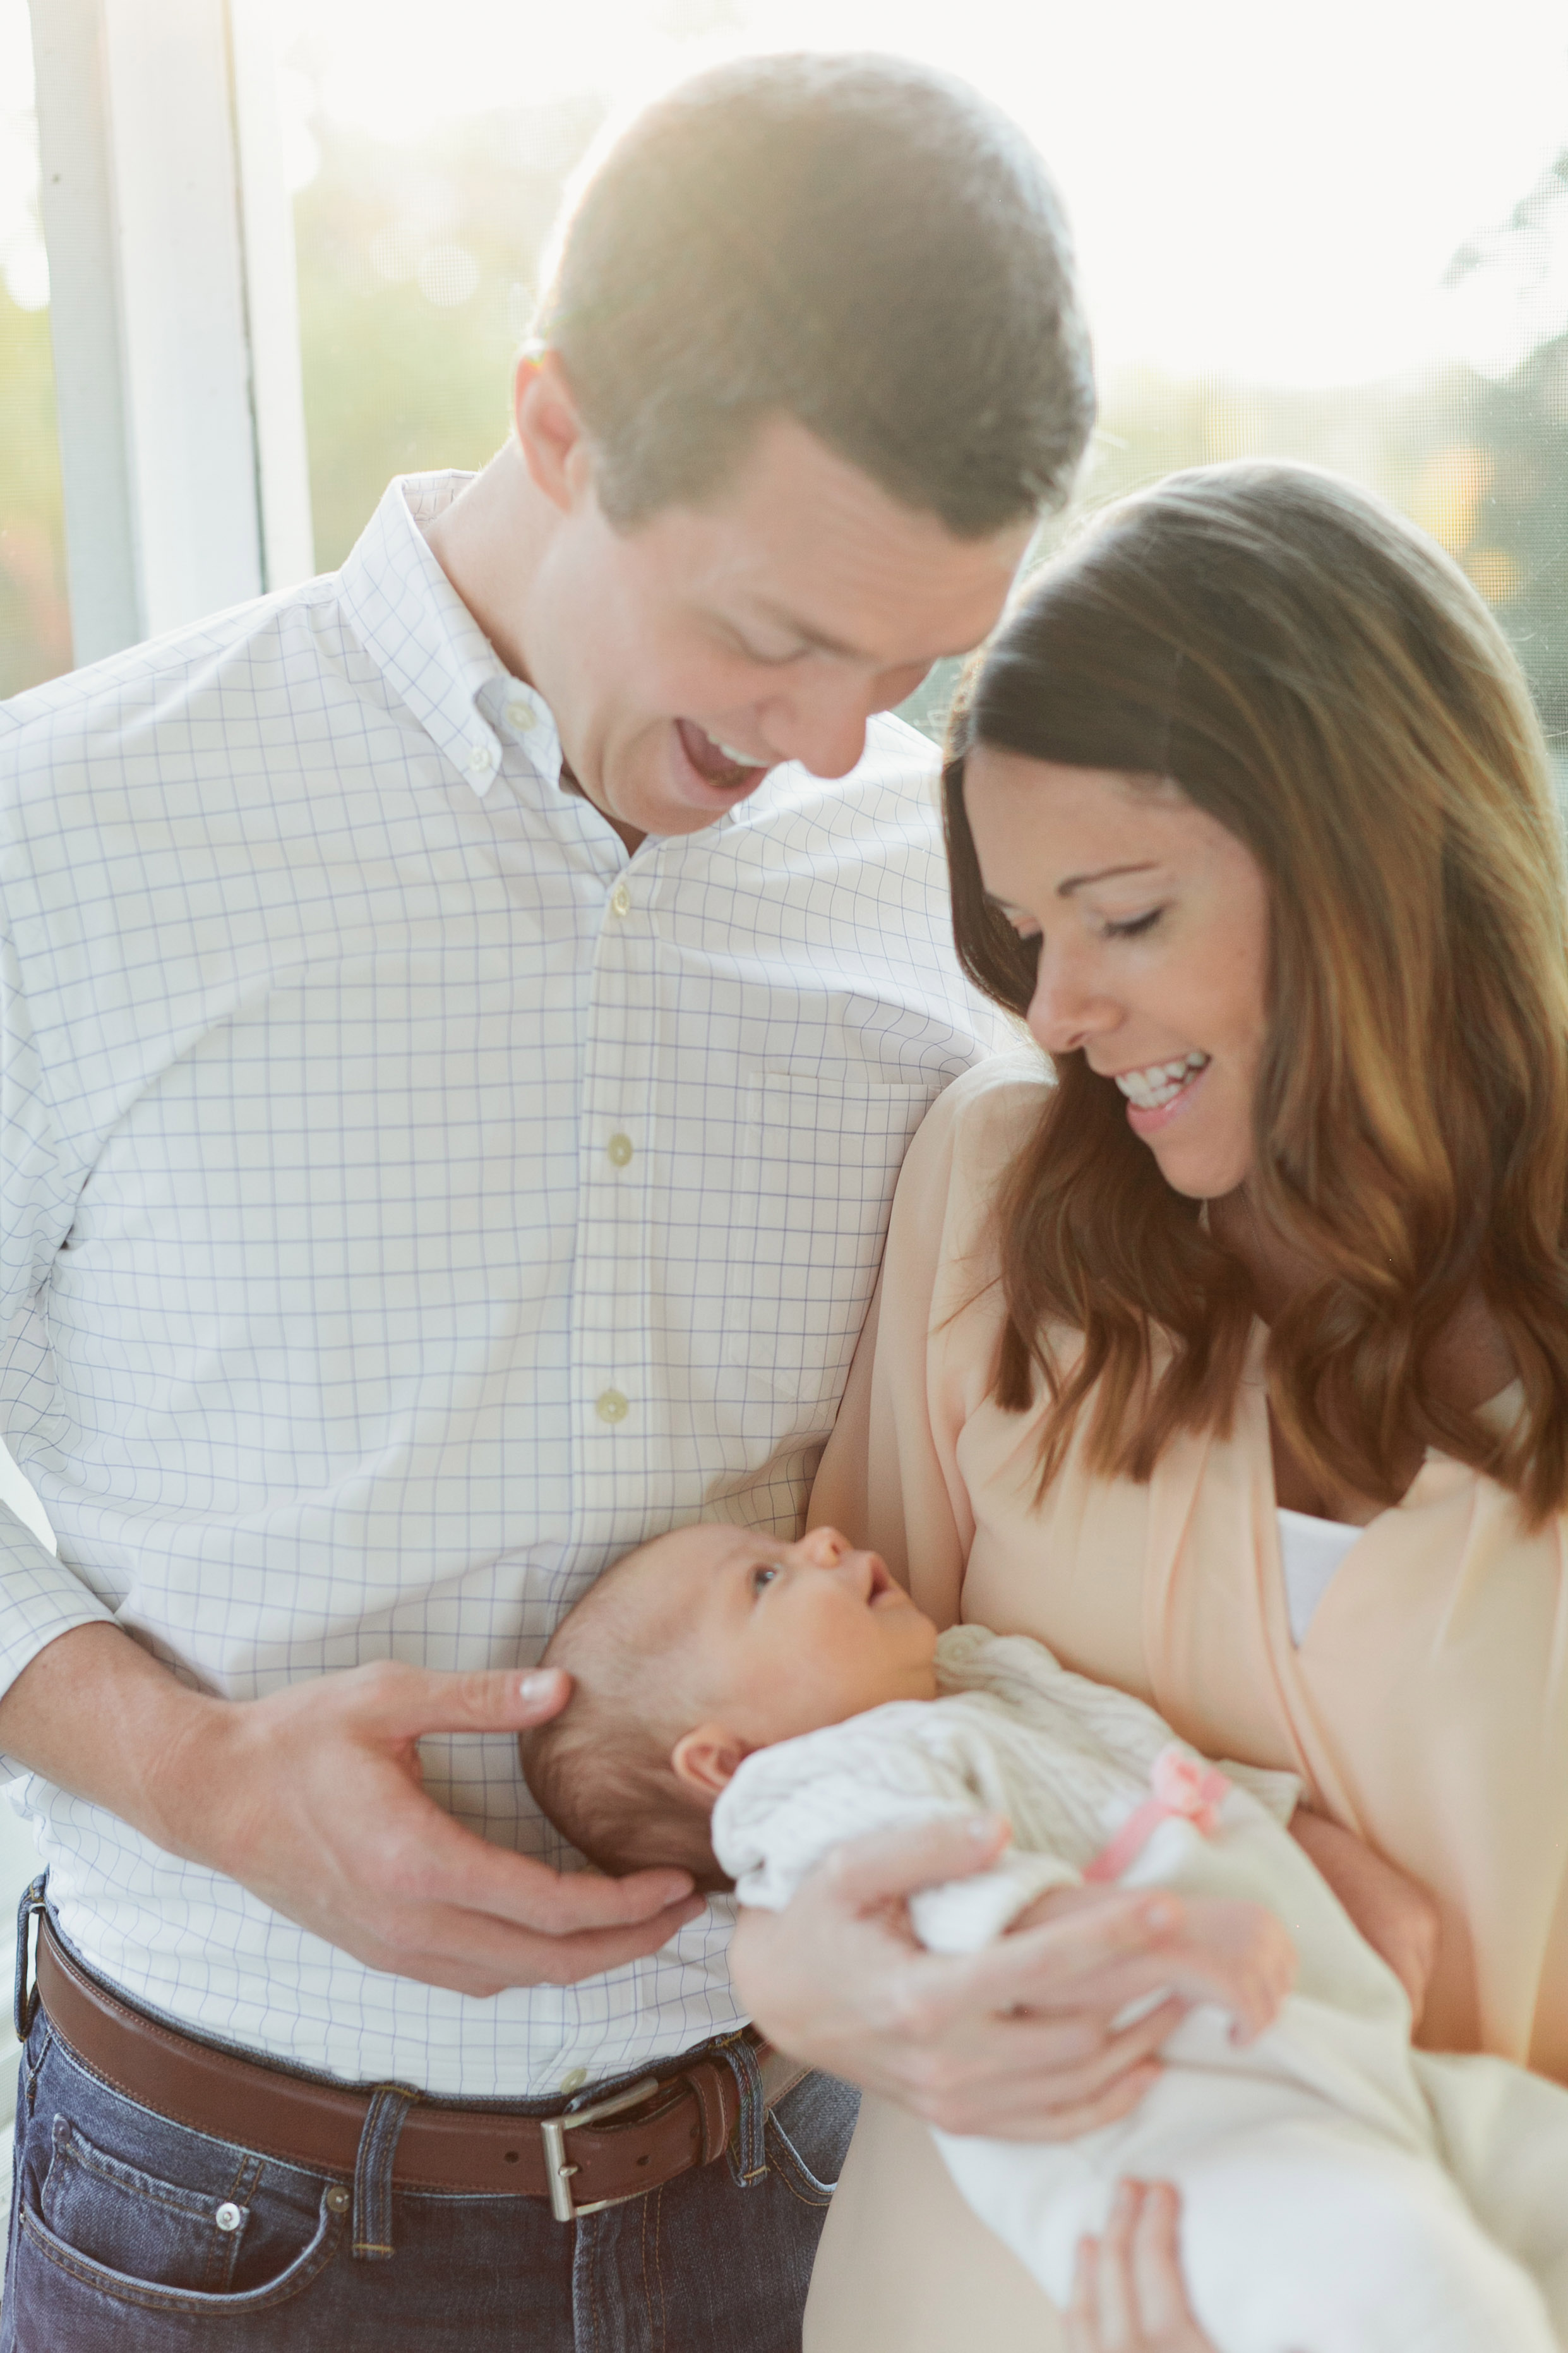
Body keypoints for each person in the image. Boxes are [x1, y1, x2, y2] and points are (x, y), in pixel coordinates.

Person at [0, 51, 1118, 2353]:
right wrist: (192, 1772)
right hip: (223, 2221)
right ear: (555, 424)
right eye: (778, 637)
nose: (832, 745)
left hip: (821, 2183)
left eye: (910, 665)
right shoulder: (65, 838)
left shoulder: (956, 883)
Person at [726, 460, 1568, 2350]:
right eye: (1025, 928)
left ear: (1372, 855)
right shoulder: (997, 1199)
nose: (1050, 1008)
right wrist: (800, 1974)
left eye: (1117, 914)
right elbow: (804, 1739)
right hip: (966, 2293)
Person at [518, 1517, 1568, 2352]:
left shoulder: (972, 1682)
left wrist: (1294, 1830)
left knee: (1534, 2167)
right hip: (1174, 2158)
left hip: (1331, 2074)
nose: (823, 1543)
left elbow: (1141, 1758)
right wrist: (1151, 1936)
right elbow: (980, 1913)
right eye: (763, 1582)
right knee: (1406, 2273)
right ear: (722, 1761)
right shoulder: (819, 1797)